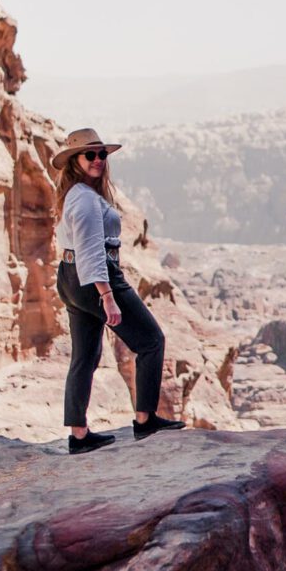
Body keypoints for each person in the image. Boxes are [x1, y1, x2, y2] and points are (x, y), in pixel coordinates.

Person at [53, 128, 186, 454]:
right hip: (97, 277)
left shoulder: (76, 193)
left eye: (102, 154)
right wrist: (107, 296)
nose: (98, 160)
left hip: (71, 276)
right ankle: (145, 420)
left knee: (84, 357)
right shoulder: (84, 199)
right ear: (75, 161)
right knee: (152, 341)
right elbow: (91, 251)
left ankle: (79, 436)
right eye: (90, 155)